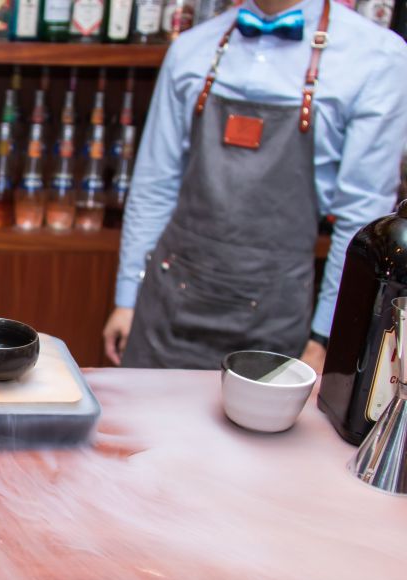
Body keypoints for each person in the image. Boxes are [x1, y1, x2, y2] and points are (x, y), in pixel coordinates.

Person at [102, 0, 407, 372]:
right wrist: (127, 298)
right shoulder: (191, 48)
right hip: (167, 304)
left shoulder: (377, 57)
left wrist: (327, 336)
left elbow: (361, 218)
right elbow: (154, 185)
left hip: (275, 315)